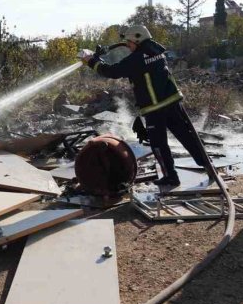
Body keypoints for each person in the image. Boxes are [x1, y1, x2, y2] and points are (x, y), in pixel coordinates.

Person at [84, 25, 209, 187]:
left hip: (154, 108)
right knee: (187, 136)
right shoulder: (157, 52)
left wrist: (91, 61)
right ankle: (207, 165)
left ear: (137, 39)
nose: (128, 45)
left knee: (158, 144)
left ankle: (171, 177)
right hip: (172, 101)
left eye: (129, 42)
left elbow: (112, 72)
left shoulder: (137, 59)